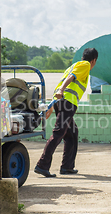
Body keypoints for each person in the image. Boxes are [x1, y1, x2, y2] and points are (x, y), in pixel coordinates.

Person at [34, 48, 98, 177]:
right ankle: (42, 165)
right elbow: (71, 78)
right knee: (58, 133)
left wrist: (53, 104)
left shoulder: (74, 65)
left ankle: (67, 167)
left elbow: (65, 80)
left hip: (61, 101)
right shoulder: (85, 65)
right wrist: (61, 91)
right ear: (94, 61)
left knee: (72, 133)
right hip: (67, 102)